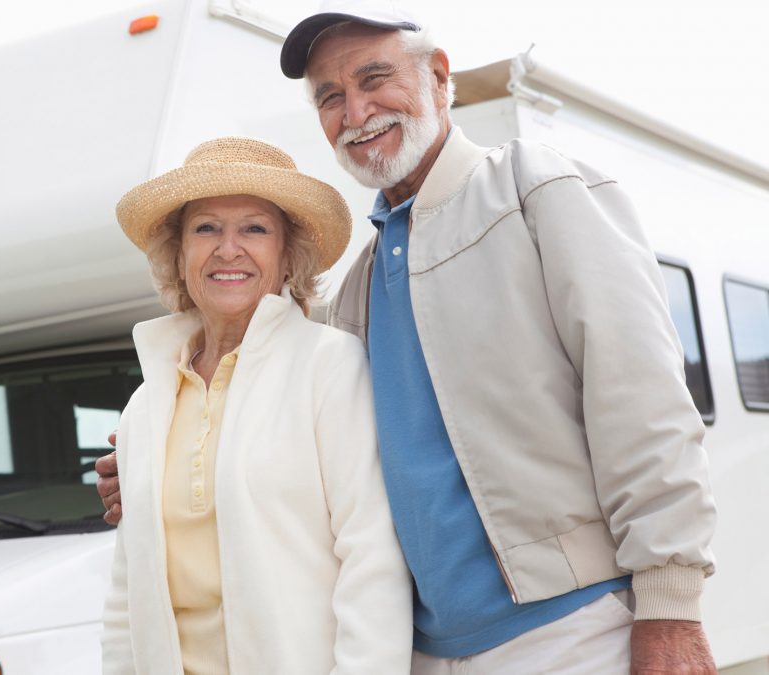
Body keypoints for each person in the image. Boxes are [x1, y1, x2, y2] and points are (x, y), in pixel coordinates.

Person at [99, 2, 718, 673]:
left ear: (440, 78)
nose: (356, 111)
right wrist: (155, 467)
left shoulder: (535, 190)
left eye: (374, 79)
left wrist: (669, 599)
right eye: (330, 96)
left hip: (567, 630)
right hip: (424, 651)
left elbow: (642, 395)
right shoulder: (355, 289)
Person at [101, 136, 413, 674]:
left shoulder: (329, 365)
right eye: (206, 228)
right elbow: (125, 596)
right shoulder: (145, 403)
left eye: (254, 228)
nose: (228, 249)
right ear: (178, 255)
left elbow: (373, 560)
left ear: (289, 254)